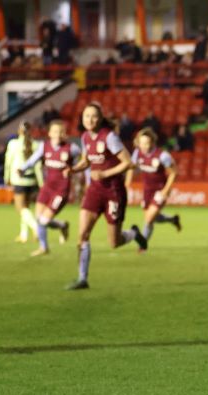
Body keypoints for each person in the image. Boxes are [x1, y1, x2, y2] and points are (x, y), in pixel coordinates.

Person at [66, 102, 146, 290]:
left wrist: (104, 174)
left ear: (100, 118)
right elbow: (87, 161)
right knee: (82, 235)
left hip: (113, 192)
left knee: (114, 242)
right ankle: (82, 278)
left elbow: (127, 163)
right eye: (86, 116)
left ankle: (134, 233)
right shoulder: (85, 137)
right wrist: (73, 169)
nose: (90, 120)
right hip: (94, 191)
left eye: (94, 116)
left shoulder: (109, 137)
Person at [18, 120, 78, 256]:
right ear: (50, 133)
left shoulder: (72, 148)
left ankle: (44, 247)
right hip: (47, 188)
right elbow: (33, 159)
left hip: (61, 191)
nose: (58, 134)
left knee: (44, 220)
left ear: (65, 134)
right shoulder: (44, 146)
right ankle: (61, 227)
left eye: (61, 132)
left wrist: (75, 170)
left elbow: (83, 163)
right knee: (39, 218)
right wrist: (22, 169)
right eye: (56, 131)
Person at [126, 127, 181, 245]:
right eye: (141, 143)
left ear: (152, 142)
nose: (144, 146)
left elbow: (174, 172)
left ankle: (143, 243)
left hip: (160, 190)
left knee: (149, 218)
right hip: (147, 191)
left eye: (146, 143)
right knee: (152, 218)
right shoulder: (137, 153)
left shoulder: (162, 155)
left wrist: (166, 190)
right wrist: (127, 183)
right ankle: (172, 219)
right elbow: (131, 168)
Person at [4, 122, 40, 244]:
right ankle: (23, 234)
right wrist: (41, 182)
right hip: (32, 180)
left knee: (20, 208)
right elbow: (39, 166)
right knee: (26, 207)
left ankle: (36, 228)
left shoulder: (13, 144)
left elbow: (8, 162)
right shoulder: (36, 144)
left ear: (19, 131)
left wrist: (6, 177)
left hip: (18, 179)